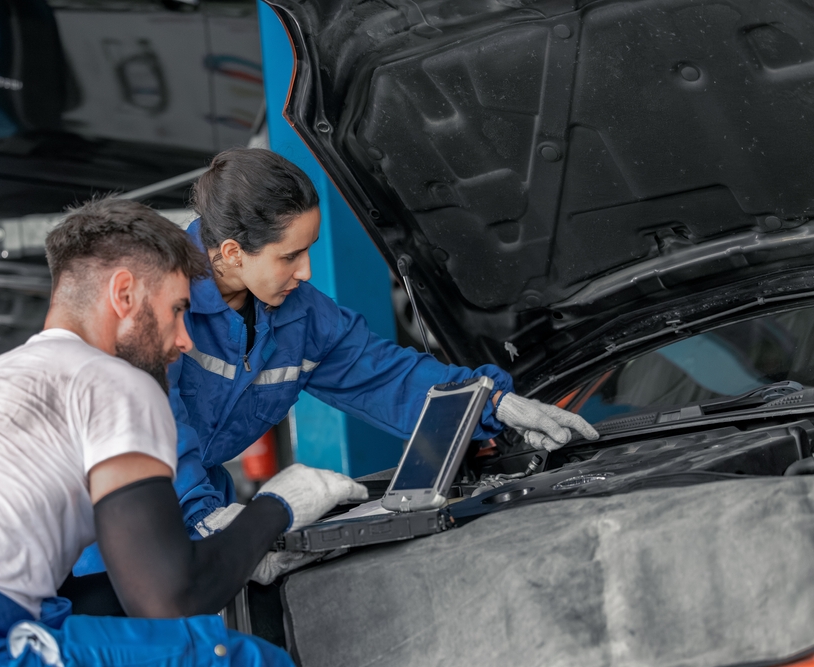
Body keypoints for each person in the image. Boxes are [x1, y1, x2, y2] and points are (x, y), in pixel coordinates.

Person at [0, 198, 367, 666]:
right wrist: (279, 506)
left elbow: (97, 594)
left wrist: (230, 548)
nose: (185, 340)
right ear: (124, 294)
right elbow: (172, 599)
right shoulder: (113, 382)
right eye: (176, 310)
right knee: (237, 657)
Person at [74, 148, 599, 583]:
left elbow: (388, 376)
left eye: (310, 251)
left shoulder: (301, 318)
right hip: (98, 529)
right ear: (232, 252)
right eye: (289, 256)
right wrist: (208, 522)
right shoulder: (158, 300)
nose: (305, 272)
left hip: (201, 513)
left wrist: (494, 403)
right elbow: (155, 425)